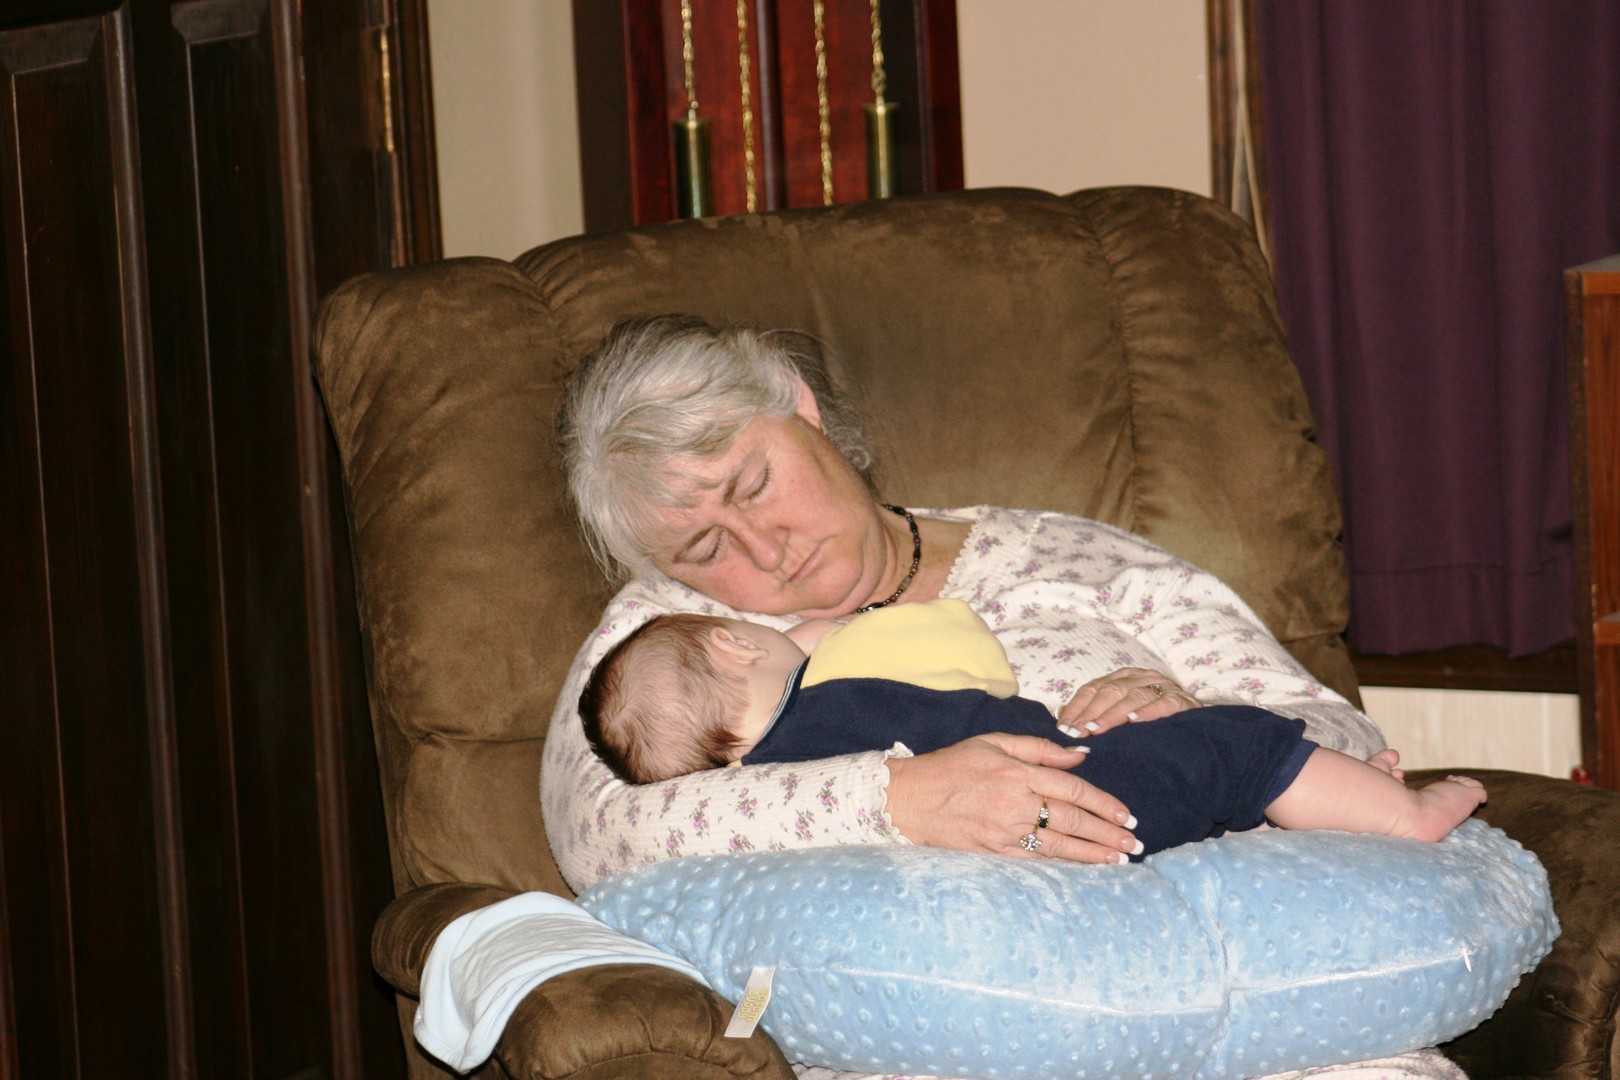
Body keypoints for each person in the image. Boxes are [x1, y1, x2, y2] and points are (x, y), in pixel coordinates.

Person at [544, 314, 1389, 891]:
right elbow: (603, 838)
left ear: (803, 409)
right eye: (704, 549)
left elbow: (1350, 738)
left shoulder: (1074, 559)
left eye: (755, 484)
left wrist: (1197, 716)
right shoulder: (671, 637)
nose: (766, 549)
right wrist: (901, 798)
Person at [576, 600, 1485, 858]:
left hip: (1050, 838)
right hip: (1081, 788)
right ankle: (1402, 816)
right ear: (736, 642)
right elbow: (959, 641)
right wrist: (831, 635)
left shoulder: (763, 779)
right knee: (1234, 745)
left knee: (1225, 764)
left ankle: (1342, 797)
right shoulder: (840, 679)